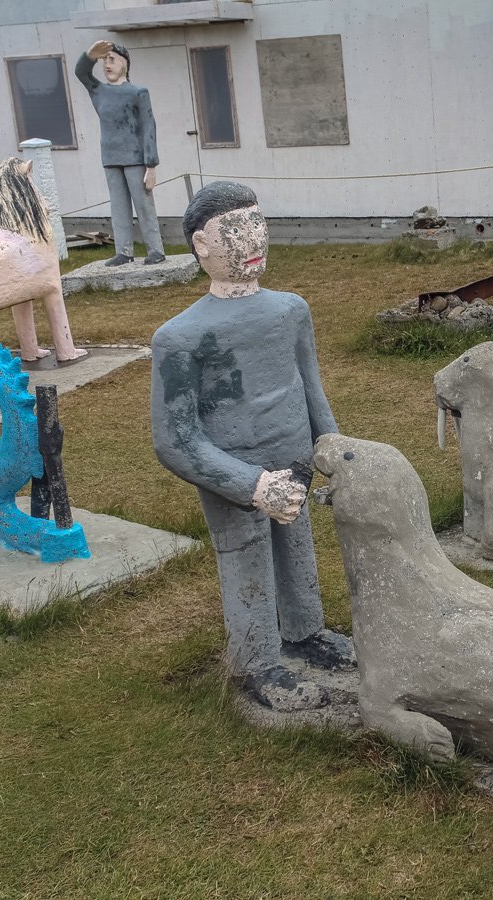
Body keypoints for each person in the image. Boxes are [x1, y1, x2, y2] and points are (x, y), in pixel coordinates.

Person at [150, 181, 353, 711]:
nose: (253, 239)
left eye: (257, 222)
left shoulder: (290, 311)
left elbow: (310, 387)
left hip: (294, 455)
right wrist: (250, 485)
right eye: (235, 229)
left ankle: (305, 631)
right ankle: (256, 662)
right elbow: (174, 439)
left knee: (297, 545)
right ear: (201, 244)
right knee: (244, 554)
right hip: (234, 471)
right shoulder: (179, 337)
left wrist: (332, 450)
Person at [76, 40, 166, 267]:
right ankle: (123, 251)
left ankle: (156, 249)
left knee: (143, 205)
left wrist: (151, 164)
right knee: (118, 207)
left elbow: (149, 126)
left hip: (135, 158)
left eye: (112, 59)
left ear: (124, 63)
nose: (107, 64)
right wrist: (89, 56)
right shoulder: (98, 91)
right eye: (104, 60)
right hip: (110, 158)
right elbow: (81, 73)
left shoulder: (138, 92)